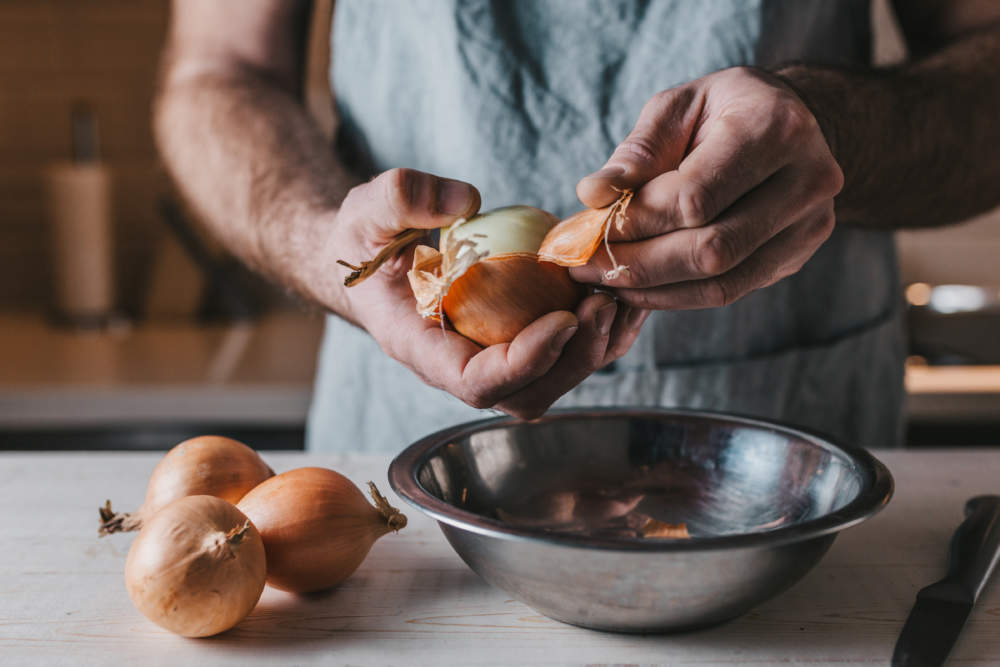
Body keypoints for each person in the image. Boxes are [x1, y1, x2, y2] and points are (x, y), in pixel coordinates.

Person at [155, 1, 1000, 452]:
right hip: (406, 449)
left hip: (792, 448)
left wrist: (834, 130)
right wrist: (321, 243)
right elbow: (217, 73)